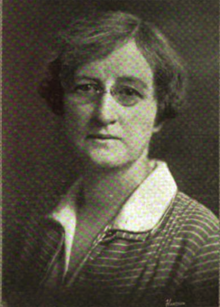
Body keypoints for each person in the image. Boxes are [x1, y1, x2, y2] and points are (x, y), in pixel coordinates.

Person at [6, 10, 219, 307]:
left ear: (159, 111)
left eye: (129, 92)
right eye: (86, 88)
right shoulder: (36, 223)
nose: (103, 114)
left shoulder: (200, 240)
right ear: (62, 101)